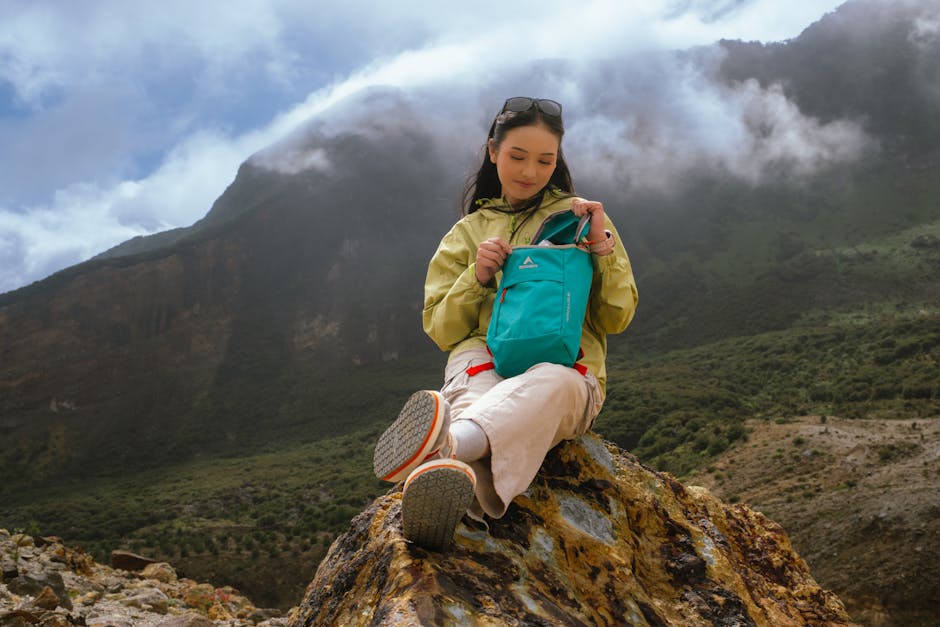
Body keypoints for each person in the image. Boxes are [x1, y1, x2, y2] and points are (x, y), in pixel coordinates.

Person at [372, 96, 638, 551]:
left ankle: (445, 445)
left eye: (544, 160)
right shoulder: (466, 233)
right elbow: (440, 329)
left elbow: (616, 318)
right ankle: (456, 499)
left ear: (557, 162)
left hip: (567, 370)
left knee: (551, 383)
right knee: (482, 396)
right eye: (517, 157)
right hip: (483, 359)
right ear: (492, 151)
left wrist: (601, 252)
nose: (530, 172)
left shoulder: (584, 219)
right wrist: (476, 277)